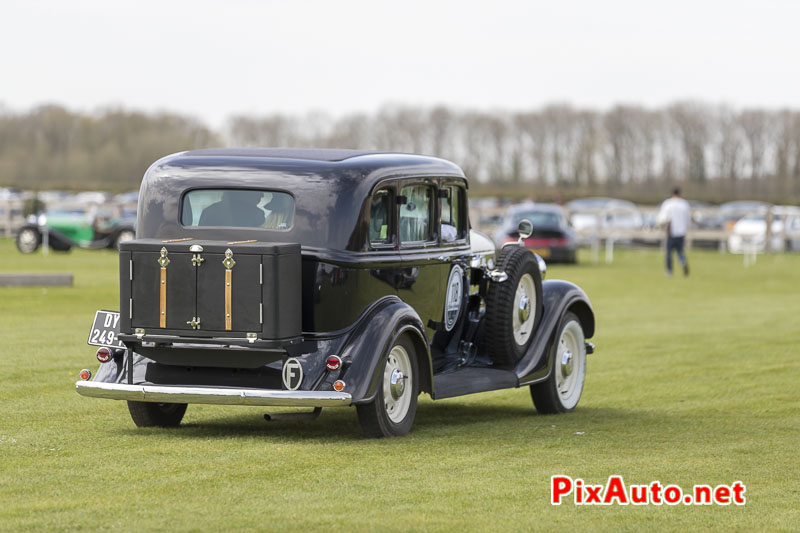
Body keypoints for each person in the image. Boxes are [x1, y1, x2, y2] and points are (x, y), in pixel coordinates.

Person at [657, 187, 691, 276]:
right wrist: (686, 229)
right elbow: (688, 219)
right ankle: (683, 262)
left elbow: (662, 218)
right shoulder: (684, 204)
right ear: (679, 194)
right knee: (680, 251)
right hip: (681, 232)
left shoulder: (668, 204)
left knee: (669, 252)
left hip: (671, 232)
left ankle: (669, 271)